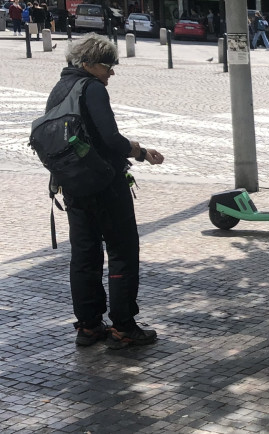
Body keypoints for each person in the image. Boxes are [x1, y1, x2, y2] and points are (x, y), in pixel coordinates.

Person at [48, 33, 165, 349]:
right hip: (105, 186)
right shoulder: (92, 89)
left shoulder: (61, 88)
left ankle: (88, 326)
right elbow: (111, 140)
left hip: (73, 186)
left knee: (84, 256)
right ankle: (124, 326)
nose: (111, 72)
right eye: (106, 66)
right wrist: (140, 151)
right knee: (122, 252)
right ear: (87, 63)